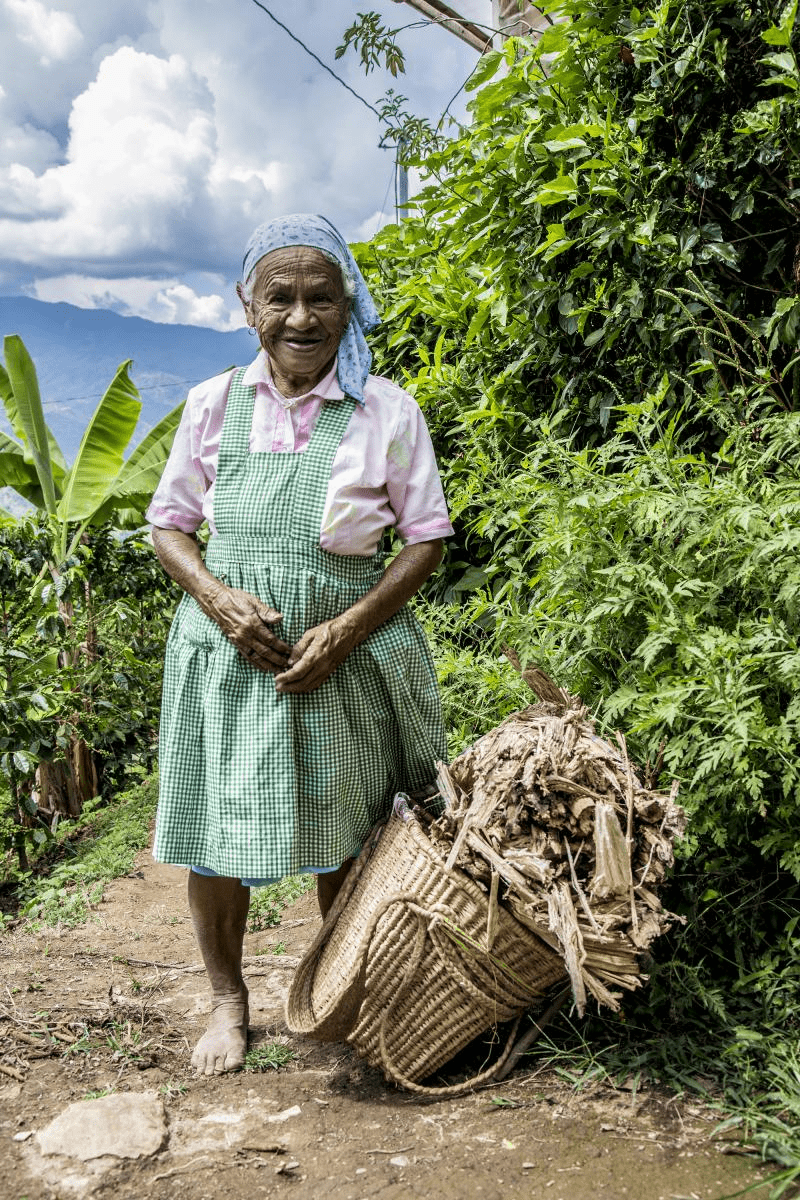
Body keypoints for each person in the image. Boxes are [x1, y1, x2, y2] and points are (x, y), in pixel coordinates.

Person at [146, 214, 453, 1076]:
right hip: (229, 655)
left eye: (322, 296)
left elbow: (424, 539)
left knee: (348, 829)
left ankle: (343, 994)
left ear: (347, 303)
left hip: (345, 654)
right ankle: (227, 1000)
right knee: (216, 825)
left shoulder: (384, 410)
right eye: (280, 296)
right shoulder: (213, 406)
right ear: (249, 306)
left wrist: (350, 629)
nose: (301, 316)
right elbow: (168, 525)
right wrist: (216, 599)